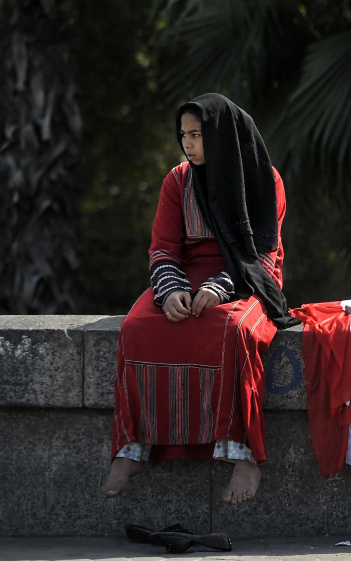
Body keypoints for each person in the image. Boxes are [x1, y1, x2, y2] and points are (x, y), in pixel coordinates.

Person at [99, 93, 299, 504]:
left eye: (197, 134)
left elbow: (263, 255)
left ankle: (243, 455)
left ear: (221, 135)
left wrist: (219, 287)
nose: (187, 144)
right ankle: (131, 449)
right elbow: (163, 248)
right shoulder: (177, 180)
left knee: (232, 329)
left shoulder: (265, 179)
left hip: (249, 277)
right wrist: (172, 290)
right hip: (186, 273)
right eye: (183, 135)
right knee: (138, 326)